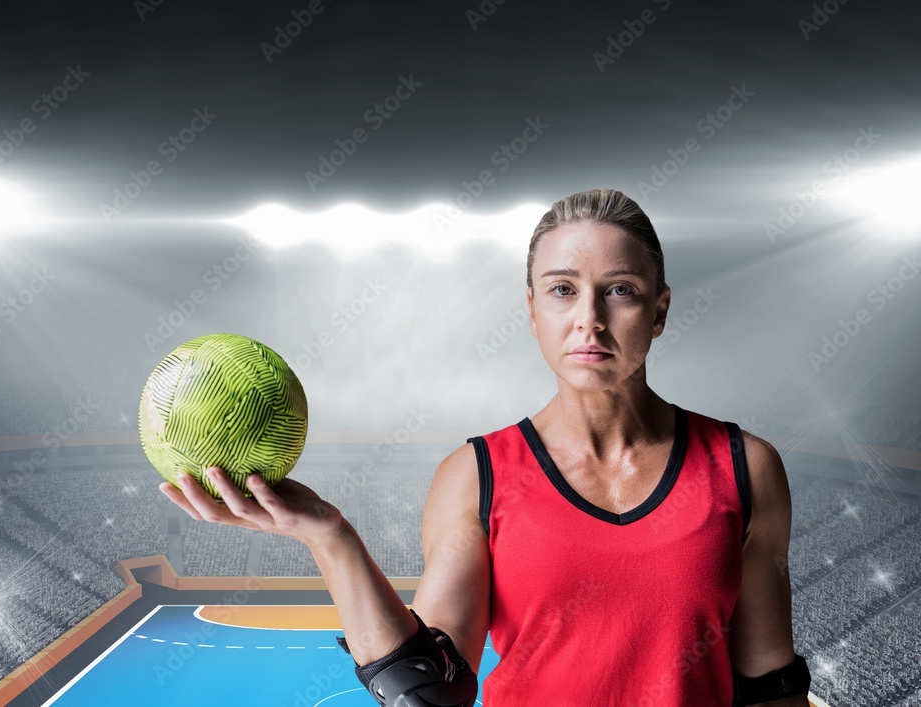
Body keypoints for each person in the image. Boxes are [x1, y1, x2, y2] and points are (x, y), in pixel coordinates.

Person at [159, 187, 812, 706]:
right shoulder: (478, 476)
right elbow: (429, 688)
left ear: (660, 310)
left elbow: (768, 688)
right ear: (533, 311)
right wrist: (330, 534)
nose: (589, 317)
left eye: (620, 289)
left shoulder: (744, 468)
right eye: (563, 289)